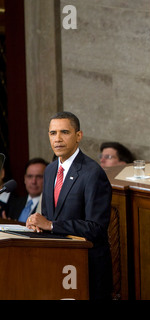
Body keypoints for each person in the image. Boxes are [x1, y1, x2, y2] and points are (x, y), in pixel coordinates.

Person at [26, 111, 113, 300]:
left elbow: (96, 228)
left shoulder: (92, 173)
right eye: (52, 133)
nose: (57, 139)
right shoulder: (50, 171)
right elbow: (49, 217)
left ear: (78, 136)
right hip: (57, 264)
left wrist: (51, 225)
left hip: (86, 268)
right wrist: (38, 225)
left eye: (64, 132)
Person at [7, 158, 48, 222]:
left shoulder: (48, 207)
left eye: (39, 177)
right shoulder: (15, 203)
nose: (33, 181)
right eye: (30, 176)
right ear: (25, 179)